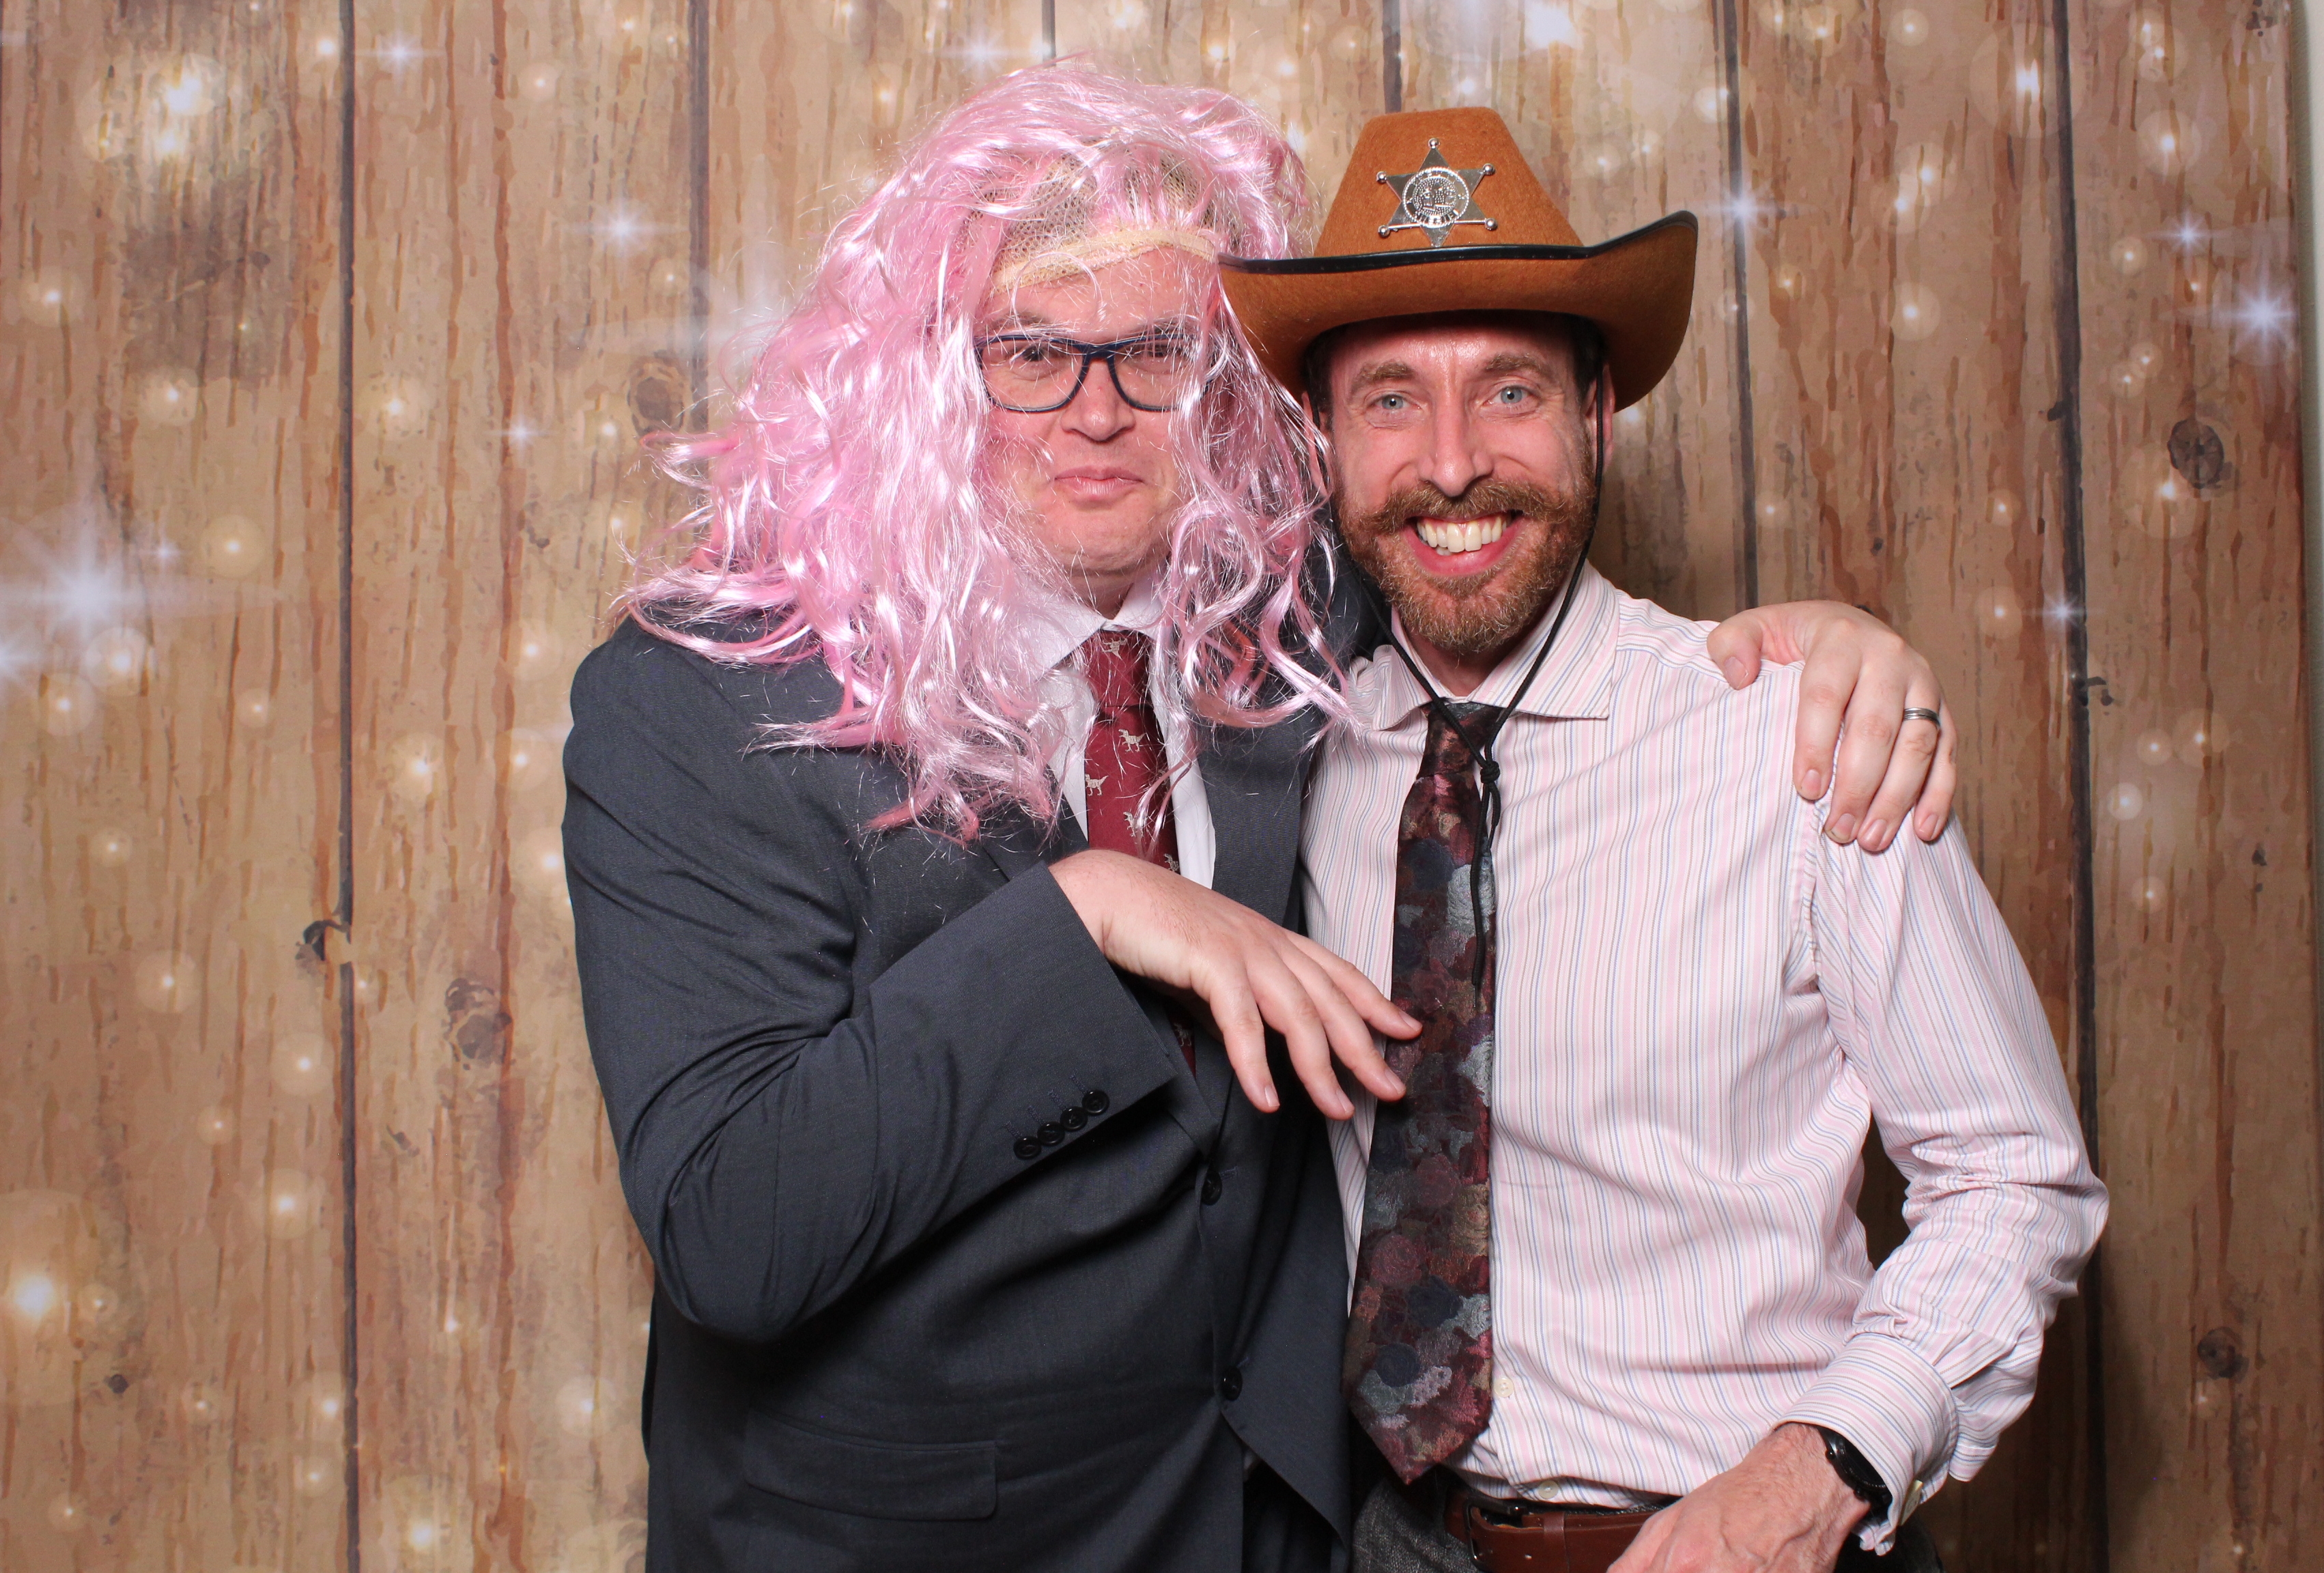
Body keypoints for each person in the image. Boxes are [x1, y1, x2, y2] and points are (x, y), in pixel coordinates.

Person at [564, 70, 1957, 1573]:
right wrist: (1086, 912)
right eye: (1031, 351)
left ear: (1228, 387)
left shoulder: (1291, 630)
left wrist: (1829, 647)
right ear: (933, 376)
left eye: (1157, 351)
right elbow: (731, 1229)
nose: (1098, 410)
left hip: (1272, 1525)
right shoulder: (709, 697)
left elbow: (1477, 546)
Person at [1218, 108, 2107, 1573]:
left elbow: (2014, 1171)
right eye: (1390, 399)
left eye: (1510, 390)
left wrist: (1829, 1464)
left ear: (1600, 419)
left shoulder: (1801, 742)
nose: (1452, 463)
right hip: (1395, 1539)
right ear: (1326, 440)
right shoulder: (1289, 752)